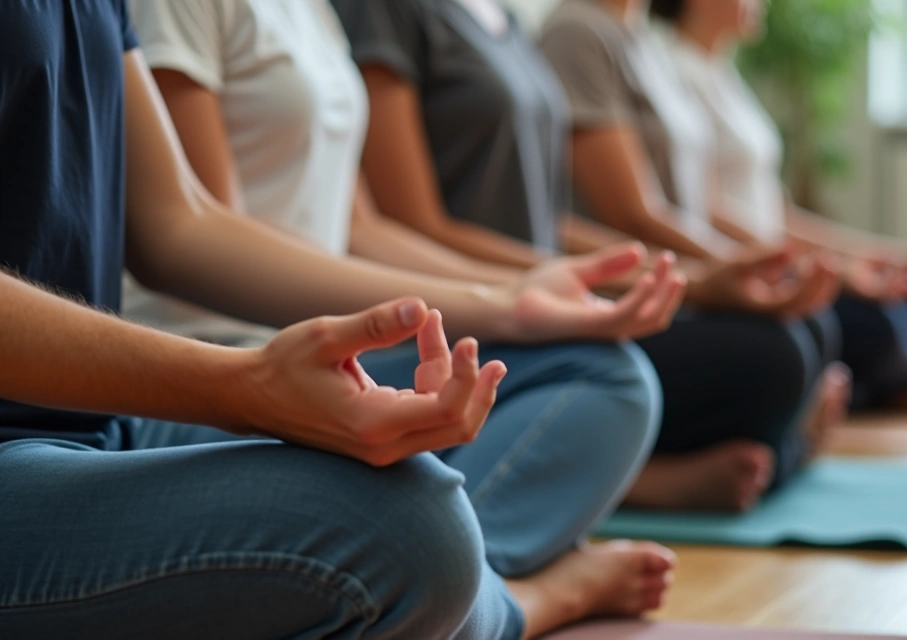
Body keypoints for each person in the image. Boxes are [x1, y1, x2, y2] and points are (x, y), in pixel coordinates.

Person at [0, 1, 682, 638]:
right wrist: (244, 387)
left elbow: (181, 224)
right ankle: (517, 600)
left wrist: (509, 303)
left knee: (601, 370)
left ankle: (468, 586)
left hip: (99, 421)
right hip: (48, 439)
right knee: (412, 531)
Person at [330, 0, 842, 514]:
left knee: (807, 334)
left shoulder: (506, 20)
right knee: (770, 358)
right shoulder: (389, 11)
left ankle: (759, 452)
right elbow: (412, 225)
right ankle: (648, 479)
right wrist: (526, 293)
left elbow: (550, 221)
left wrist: (688, 277)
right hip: (462, 304)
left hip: (529, 283)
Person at [652, 0, 907, 413]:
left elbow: (778, 213)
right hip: (758, 267)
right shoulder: (669, 71)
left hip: (786, 255)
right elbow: (704, 208)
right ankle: (898, 374)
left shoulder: (724, 74)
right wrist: (819, 268)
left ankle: (890, 376)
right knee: (875, 322)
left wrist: (903, 256)